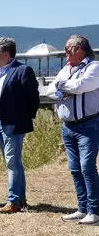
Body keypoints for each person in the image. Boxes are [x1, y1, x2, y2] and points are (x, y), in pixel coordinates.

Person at [47, 34, 99, 225]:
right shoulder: (66, 69)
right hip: (68, 127)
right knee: (75, 168)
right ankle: (82, 208)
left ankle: (95, 211)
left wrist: (63, 86)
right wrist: (64, 89)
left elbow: (83, 85)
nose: (65, 52)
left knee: (87, 167)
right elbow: (50, 90)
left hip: (88, 125)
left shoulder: (94, 67)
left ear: (79, 49)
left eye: (68, 48)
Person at [0, 37, 40, 213]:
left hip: (13, 123)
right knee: (13, 162)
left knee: (12, 162)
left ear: (7, 54)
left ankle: (14, 201)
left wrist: (24, 117)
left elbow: (33, 98)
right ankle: (20, 198)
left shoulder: (22, 70)